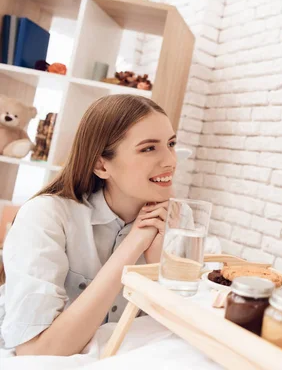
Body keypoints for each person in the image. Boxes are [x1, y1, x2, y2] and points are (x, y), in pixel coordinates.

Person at [0, 95, 218, 356]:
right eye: (149, 148)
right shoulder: (47, 215)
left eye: (171, 144)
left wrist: (159, 264)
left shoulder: (179, 222)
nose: (171, 160)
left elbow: (181, 329)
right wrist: (134, 244)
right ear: (101, 165)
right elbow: (36, 353)